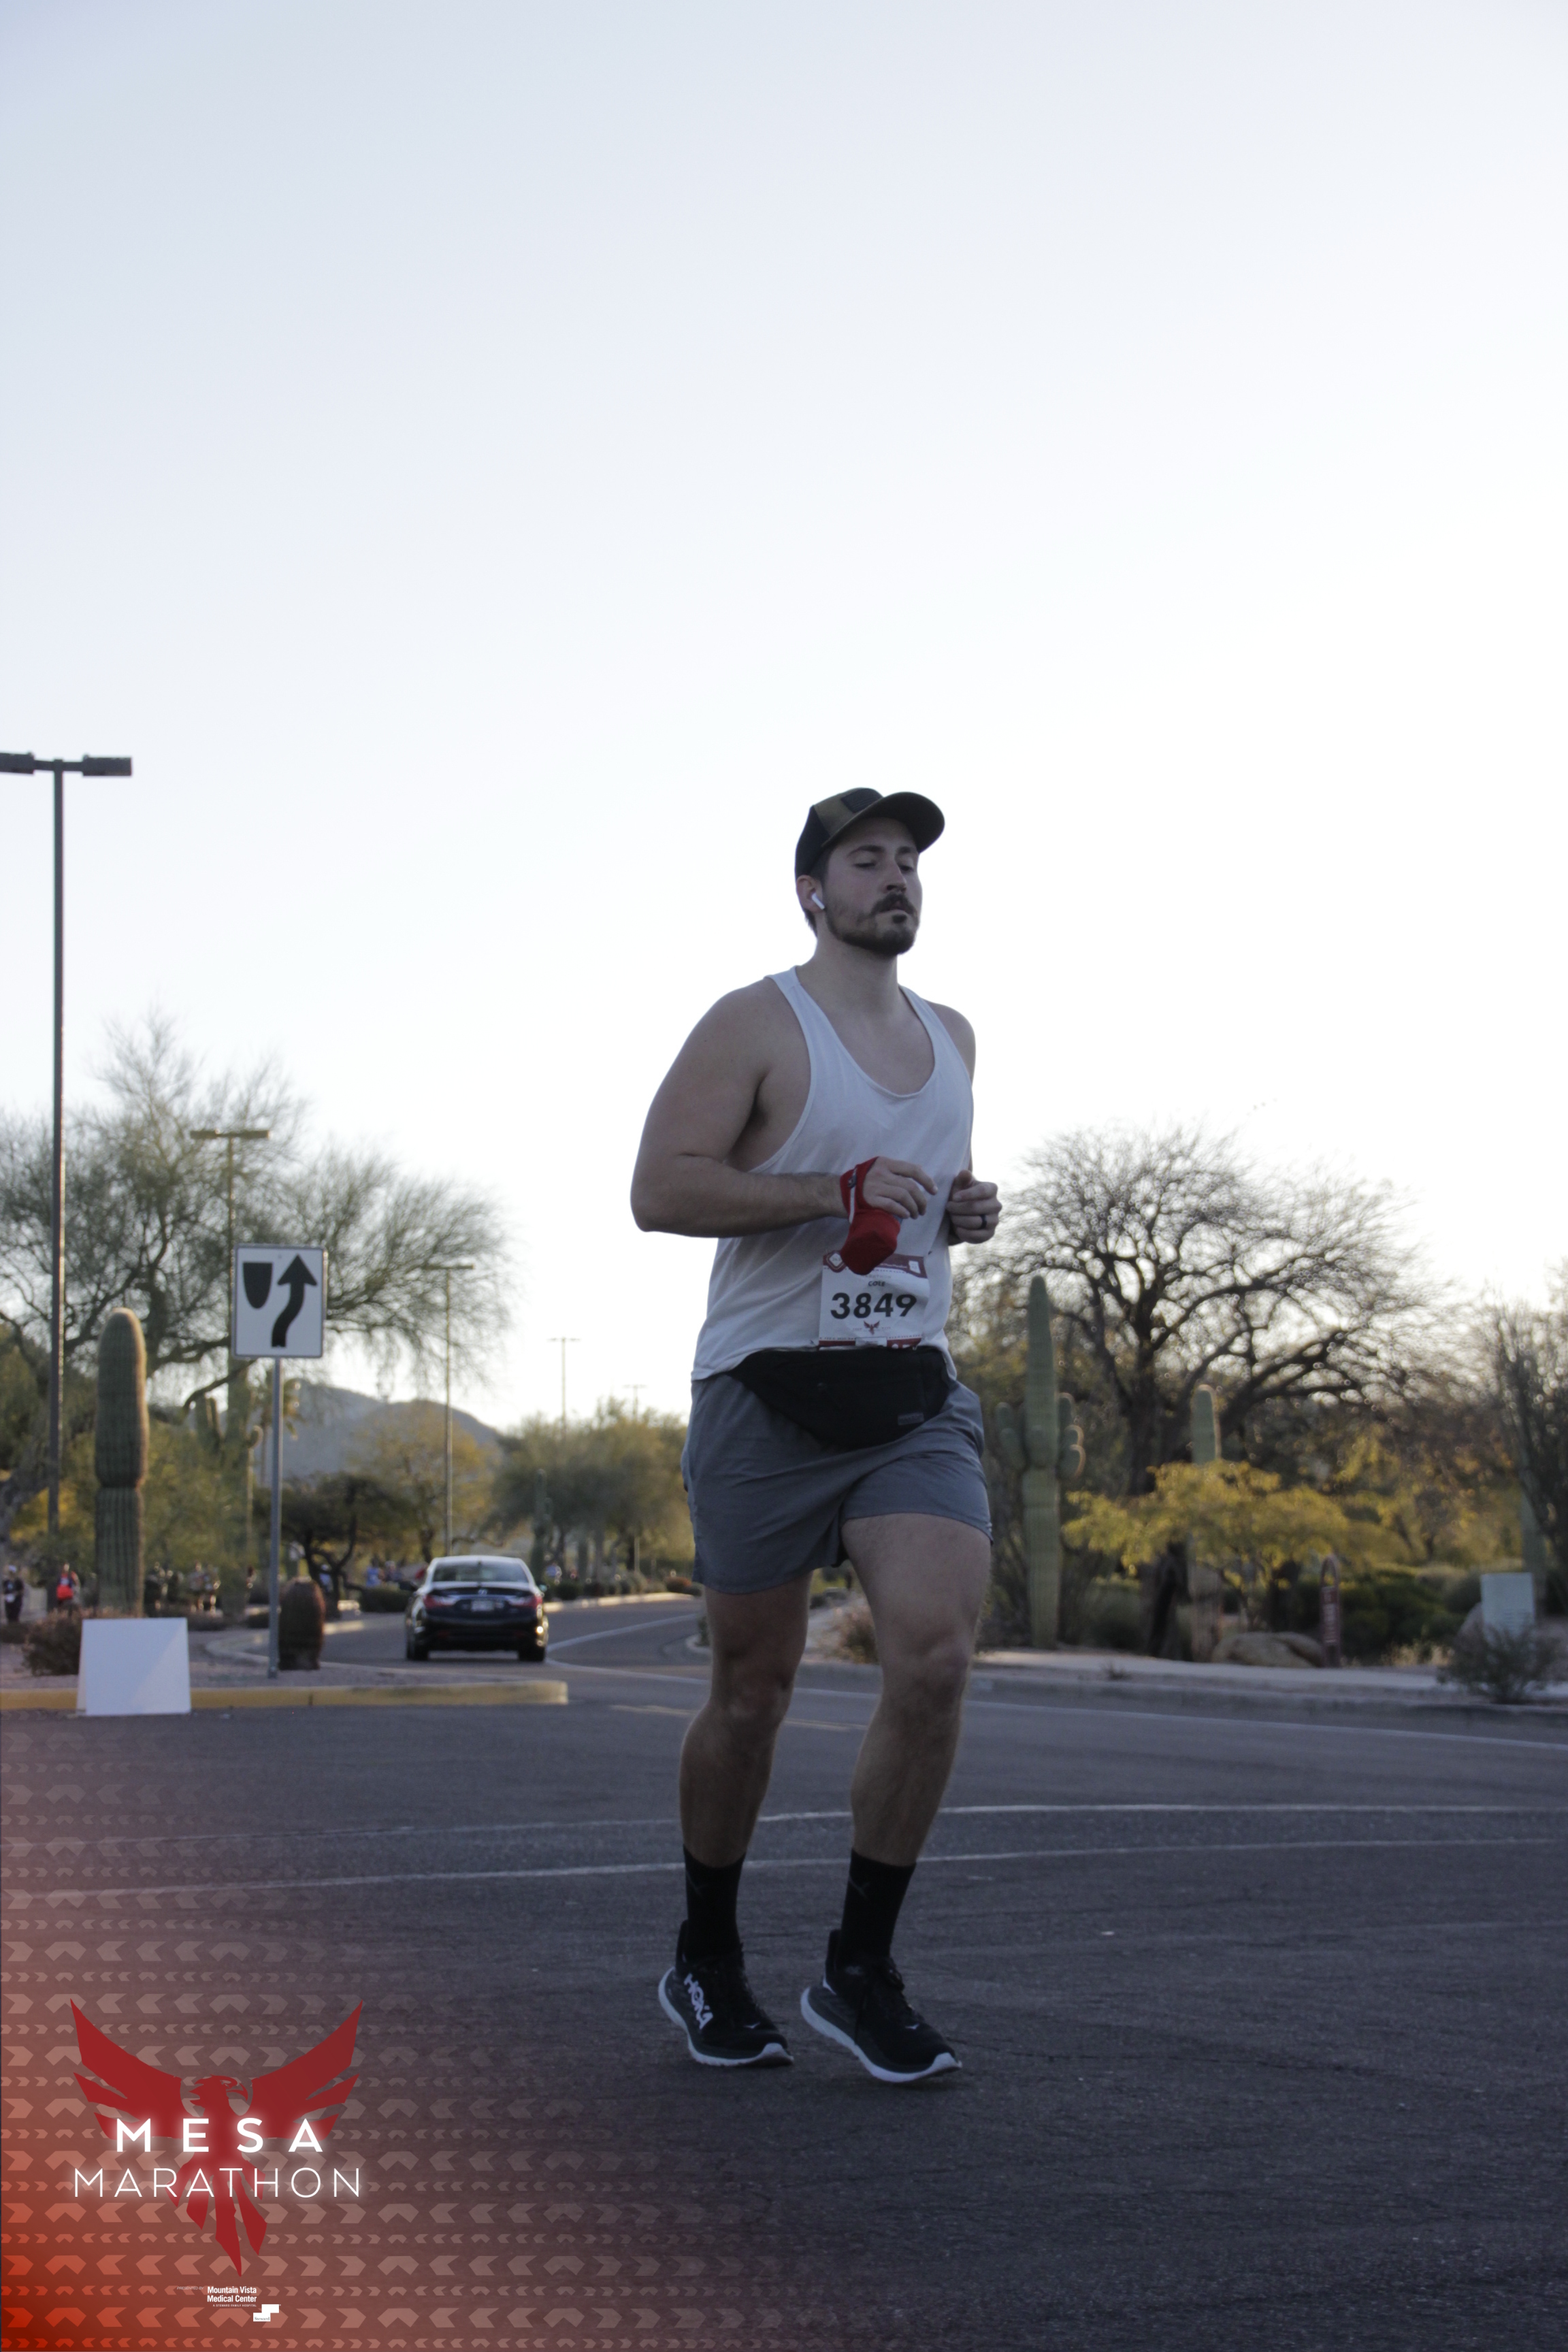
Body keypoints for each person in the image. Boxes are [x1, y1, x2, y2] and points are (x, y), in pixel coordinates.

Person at [631, 788, 1001, 2082]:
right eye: (867, 861)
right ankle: (706, 1957)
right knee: (756, 1690)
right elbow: (660, 1188)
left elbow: (917, 1205)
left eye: (908, 862)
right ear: (813, 892)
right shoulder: (755, 1022)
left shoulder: (954, 1037)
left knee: (936, 1657)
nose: (896, 879)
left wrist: (959, 1214)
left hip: (908, 1394)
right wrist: (825, 1192)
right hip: (765, 1391)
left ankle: (859, 1967)